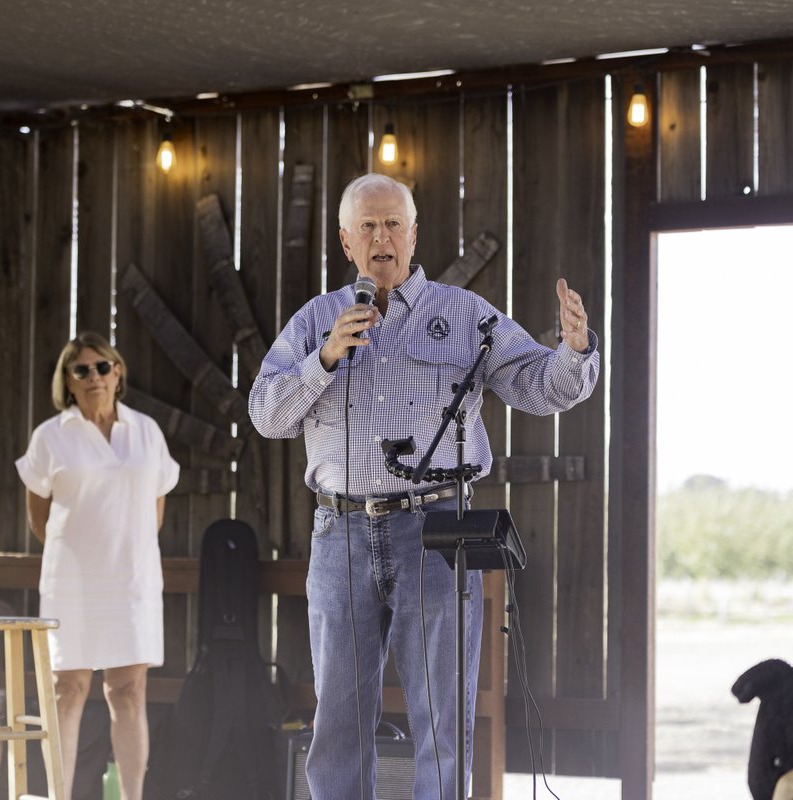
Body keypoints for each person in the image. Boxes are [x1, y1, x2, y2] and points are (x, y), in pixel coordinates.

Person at [248, 173, 600, 799]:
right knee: (339, 718)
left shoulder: (464, 314)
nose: (381, 238)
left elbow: (539, 387)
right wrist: (323, 360)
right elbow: (266, 416)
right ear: (345, 241)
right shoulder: (317, 320)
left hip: (435, 533)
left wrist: (574, 350)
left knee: (443, 716)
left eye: (393, 225)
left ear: (414, 235)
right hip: (340, 532)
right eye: (367, 227)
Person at [15, 332, 179, 800]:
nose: (94, 377)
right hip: (71, 582)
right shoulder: (50, 436)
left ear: (117, 372)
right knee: (67, 690)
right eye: (81, 370)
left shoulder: (146, 431)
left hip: (132, 581)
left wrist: (126, 547)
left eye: (102, 366)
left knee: (128, 691)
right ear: (67, 381)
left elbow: (154, 509)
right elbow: (39, 516)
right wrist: (78, 554)